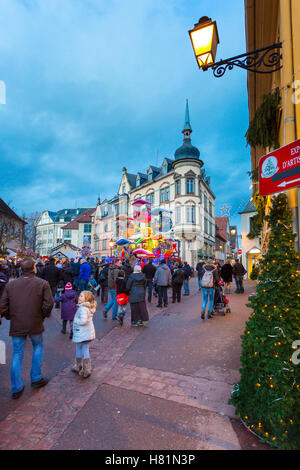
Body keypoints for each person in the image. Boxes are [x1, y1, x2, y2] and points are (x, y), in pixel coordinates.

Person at [0, 258, 54, 399]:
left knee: (17, 353)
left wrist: (10, 316)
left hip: (17, 322)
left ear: (20, 269)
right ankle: (36, 377)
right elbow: (49, 303)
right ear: (33, 268)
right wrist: (42, 315)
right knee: (38, 347)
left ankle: (16, 387)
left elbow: (3, 306)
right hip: (35, 322)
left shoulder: (11, 285)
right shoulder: (42, 284)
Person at [71, 290, 97, 379]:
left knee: (80, 348)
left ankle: (81, 367)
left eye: (82, 296)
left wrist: (76, 320)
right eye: (79, 296)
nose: (79, 297)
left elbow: (83, 321)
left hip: (82, 333)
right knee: (84, 348)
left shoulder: (83, 308)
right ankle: (85, 368)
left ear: (86, 299)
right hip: (87, 333)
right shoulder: (88, 308)